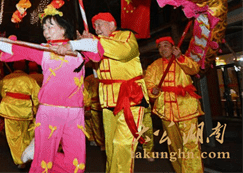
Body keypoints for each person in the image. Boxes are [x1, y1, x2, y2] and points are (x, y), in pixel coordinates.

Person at [0, 14, 101, 173]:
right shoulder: (43, 50)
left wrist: (71, 45)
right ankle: (40, 154)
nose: (46, 31)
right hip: (49, 111)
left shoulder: (80, 50)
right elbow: (16, 48)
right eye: (44, 28)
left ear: (64, 29)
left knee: (76, 165)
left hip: (75, 113)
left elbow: (97, 48)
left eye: (51, 26)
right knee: (43, 164)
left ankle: (39, 152)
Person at [63, 12, 149, 173]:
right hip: (108, 99)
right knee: (110, 146)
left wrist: (93, 41)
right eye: (95, 26)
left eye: (100, 24)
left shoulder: (126, 36)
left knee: (122, 144)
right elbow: (91, 59)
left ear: (112, 24)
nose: (97, 28)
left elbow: (123, 52)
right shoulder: (99, 42)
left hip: (130, 97)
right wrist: (83, 45)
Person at [144, 36, 204, 173]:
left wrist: (181, 58)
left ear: (173, 47)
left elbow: (194, 69)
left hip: (186, 107)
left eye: (166, 45)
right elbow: (148, 84)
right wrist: (152, 91)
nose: (162, 49)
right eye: (160, 47)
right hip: (166, 110)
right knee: (174, 146)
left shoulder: (182, 59)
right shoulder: (154, 66)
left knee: (191, 144)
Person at [0, 60, 40, 169]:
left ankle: (20, 160)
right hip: (25, 111)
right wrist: (36, 108)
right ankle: (25, 156)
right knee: (25, 134)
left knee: (13, 137)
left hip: (9, 110)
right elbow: (37, 96)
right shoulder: (30, 79)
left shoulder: (6, 78)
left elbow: (2, 93)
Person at [83, 71, 105, 151]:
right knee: (96, 125)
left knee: (96, 125)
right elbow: (85, 91)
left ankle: (96, 140)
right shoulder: (91, 78)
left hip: (97, 105)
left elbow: (85, 91)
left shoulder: (90, 78)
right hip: (97, 105)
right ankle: (98, 141)